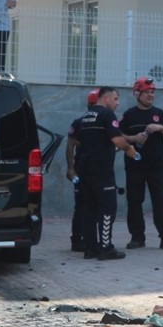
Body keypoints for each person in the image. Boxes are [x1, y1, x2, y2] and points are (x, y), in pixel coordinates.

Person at [69, 86, 134, 260]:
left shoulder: (84, 118)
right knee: (107, 208)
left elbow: (74, 143)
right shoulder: (106, 115)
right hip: (102, 171)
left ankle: (90, 249)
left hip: (84, 170)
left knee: (89, 209)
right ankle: (106, 247)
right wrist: (129, 149)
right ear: (105, 99)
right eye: (115, 99)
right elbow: (117, 139)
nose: (117, 103)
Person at [120, 76, 163, 251]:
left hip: (157, 166)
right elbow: (118, 136)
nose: (150, 95)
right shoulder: (129, 115)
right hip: (134, 166)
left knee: (161, 202)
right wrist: (134, 138)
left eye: (152, 92)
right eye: (147, 92)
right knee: (134, 202)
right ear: (137, 94)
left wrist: (160, 127)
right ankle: (137, 237)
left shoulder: (159, 114)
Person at [65, 88, 100, 252]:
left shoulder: (104, 123)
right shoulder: (79, 123)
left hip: (97, 171)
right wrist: (70, 168)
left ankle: (89, 238)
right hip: (82, 170)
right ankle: (77, 239)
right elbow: (70, 146)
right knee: (81, 205)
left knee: (93, 206)